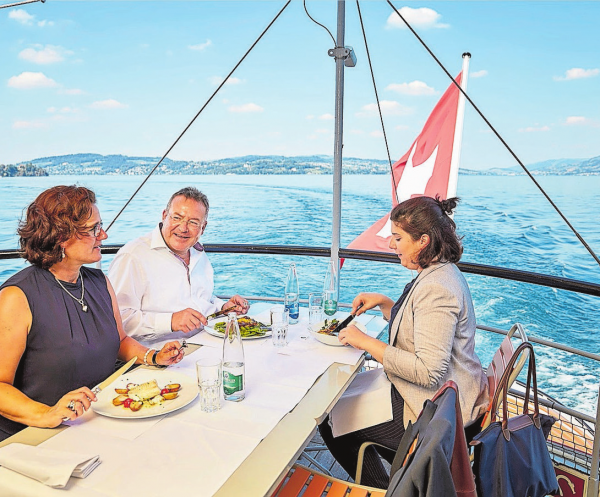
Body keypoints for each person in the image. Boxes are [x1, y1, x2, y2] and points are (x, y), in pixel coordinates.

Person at [319, 196, 489, 488]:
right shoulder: (438, 271)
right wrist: (386, 304)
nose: (390, 244)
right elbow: (421, 326)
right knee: (335, 404)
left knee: (330, 421)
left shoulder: (437, 287)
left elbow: (428, 371)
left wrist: (364, 342)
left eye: (397, 238)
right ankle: (400, 479)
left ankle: (390, 489)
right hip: (445, 397)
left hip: (437, 415)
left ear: (422, 240)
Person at [0, 186, 185, 442]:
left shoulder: (100, 281)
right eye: (94, 229)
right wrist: (46, 414)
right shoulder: (17, 297)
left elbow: (119, 341)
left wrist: (153, 356)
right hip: (40, 435)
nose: (104, 235)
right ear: (60, 236)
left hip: (100, 419)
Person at [108, 187, 248, 343]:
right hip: (155, 355)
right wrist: (171, 321)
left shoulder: (197, 253)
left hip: (204, 342)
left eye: (193, 222)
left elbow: (199, 298)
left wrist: (224, 308)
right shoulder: (133, 256)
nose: (183, 228)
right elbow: (117, 320)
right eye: (177, 218)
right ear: (164, 216)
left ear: (203, 227)